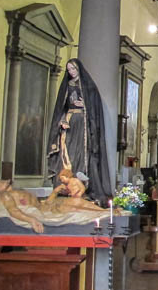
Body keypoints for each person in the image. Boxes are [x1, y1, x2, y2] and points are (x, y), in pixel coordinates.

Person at [46, 58, 111, 203]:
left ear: (79, 69)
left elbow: (94, 110)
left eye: (73, 69)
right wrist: (62, 120)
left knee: (82, 154)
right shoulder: (66, 86)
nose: (71, 72)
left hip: (83, 125)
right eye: (69, 70)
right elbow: (61, 109)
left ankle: (83, 187)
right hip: (69, 123)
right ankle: (66, 184)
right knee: (67, 153)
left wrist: (85, 105)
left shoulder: (88, 87)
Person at [0, 180, 107, 233]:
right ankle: (105, 215)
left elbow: (41, 204)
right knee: (72, 209)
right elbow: (13, 211)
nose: (2, 181)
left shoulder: (17, 191)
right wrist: (32, 220)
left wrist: (54, 193)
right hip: (42, 213)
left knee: (76, 202)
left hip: (44, 207)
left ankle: (106, 211)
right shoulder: (5, 196)